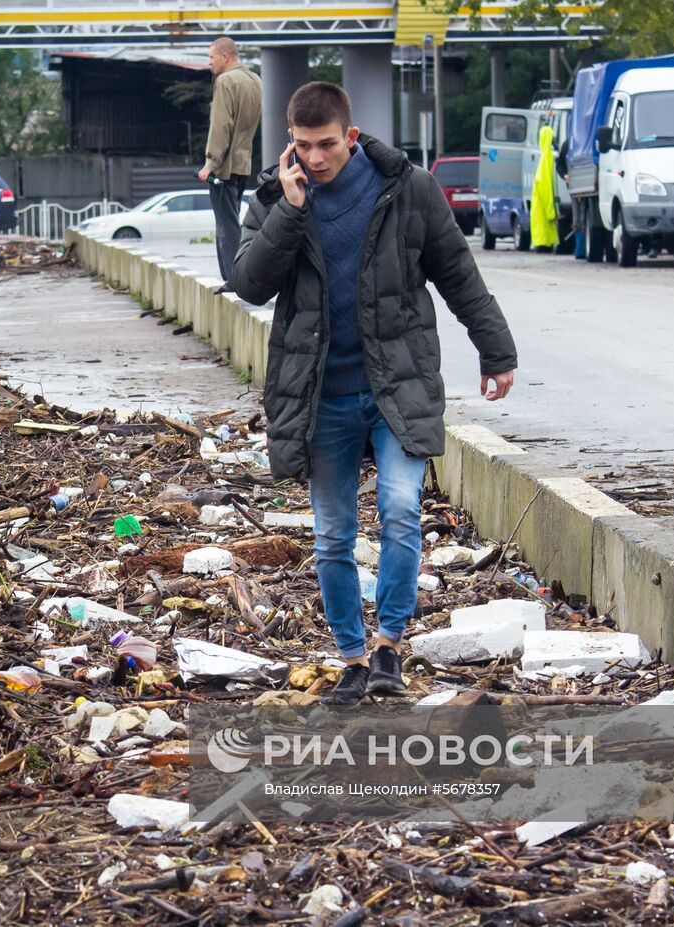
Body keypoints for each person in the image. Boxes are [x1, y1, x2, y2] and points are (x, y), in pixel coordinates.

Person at [229, 82, 518, 706]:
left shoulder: (407, 189)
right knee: (333, 535)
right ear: (290, 144)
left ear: (350, 137)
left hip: (396, 385)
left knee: (401, 509)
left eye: (326, 145)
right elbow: (249, 283)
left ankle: (389, 645)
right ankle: (352, 658)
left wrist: (496, 351)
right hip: (319, 396)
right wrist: (290, 207)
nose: (315, 158)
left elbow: (458, 273)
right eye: (303, 147)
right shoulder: (277, 197)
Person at [197, 37, 262, 287]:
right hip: (243, 163)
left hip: (223, 167)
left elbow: (221, 125)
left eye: (211, 58)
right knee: (232, 220)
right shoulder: (255, 79)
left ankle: (235, 279)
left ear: (225, 57)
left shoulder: (226, 81)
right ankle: (232, 276)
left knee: (226, 225)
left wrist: (210, 163)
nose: (210, 63)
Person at [530, 125, 559, 251]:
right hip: (542, 205)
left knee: (541, 230)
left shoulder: (544, 157)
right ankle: (544, 245)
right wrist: (550, 210)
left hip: (539, 204)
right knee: (544, 232)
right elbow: (546, 187)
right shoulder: (547, 158)